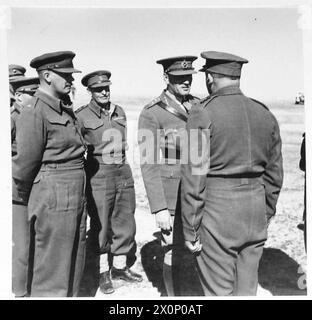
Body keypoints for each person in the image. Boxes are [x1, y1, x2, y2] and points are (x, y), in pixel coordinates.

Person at [181, 51, 283, 296]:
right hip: (255, 212)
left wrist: (191, 229)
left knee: (219, 292)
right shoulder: (264, 113)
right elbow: (275, 173)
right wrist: (266, 213)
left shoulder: (202, 112)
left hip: (219, 214)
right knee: (247, 291)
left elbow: (194, 177)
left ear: (210, 78)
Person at [12, 51, 88, 297]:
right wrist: (35, 199)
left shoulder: (64, 108)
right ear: (46, 76)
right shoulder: (35, 110)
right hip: (54, 194)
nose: (71, 80)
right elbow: (24, 166)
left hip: (74, 191)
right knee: (53, 268)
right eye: (65, 75)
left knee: (75, 261)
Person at [76, 70, 142, 295]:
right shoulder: (82, 116)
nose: (104, 92)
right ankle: (102, 272)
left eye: (106, 88)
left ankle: (120, 268)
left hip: (122, 169)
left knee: (125, 220)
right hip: (99, 172)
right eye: (98, 89)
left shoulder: (119, 111)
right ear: (90, 92)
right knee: (101, 224)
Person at [138, 56, 199, 296]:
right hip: (172, 197)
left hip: (198, 194)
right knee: (173, 250)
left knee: (197, 248)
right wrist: (159, 208)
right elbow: (148, 163)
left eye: (189, 77)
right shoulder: (152, 113)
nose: (186, 82)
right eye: (179, 78)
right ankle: (173, 299)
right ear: (166, 78)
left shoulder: (199, 105)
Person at [11, 76, 39, 297]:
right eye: (32, 93)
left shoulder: (32, 117)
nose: (36, 97)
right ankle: (20, 291)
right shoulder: (12, 118)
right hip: (18, 191)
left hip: (33, 188)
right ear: (19, 96)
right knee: (21, 245)